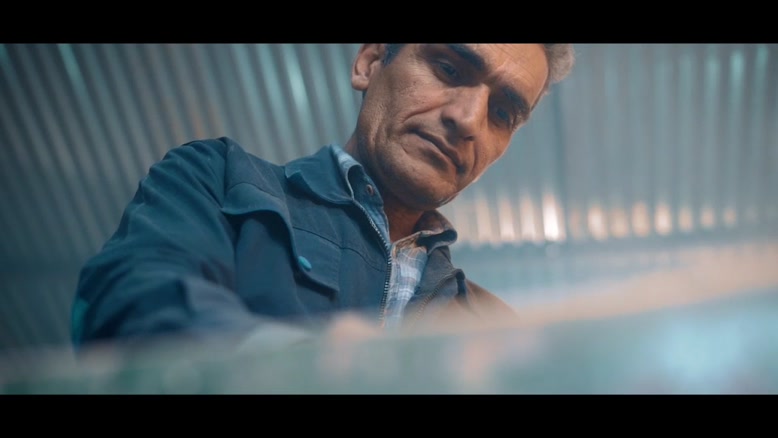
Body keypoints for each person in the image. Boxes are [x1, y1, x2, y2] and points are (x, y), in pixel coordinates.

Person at [71, 44, 575, 353]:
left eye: (502, 113)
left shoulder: (493, 327)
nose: (467, 120)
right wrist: (302, 365)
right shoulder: (217, 179)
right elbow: (132, 303)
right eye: (448, 68)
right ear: (370, 61)